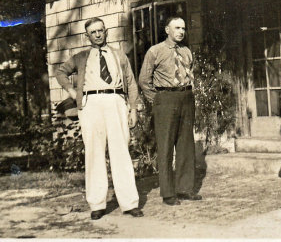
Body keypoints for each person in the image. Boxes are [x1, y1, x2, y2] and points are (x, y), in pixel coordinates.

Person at [56, 17, 144, 219]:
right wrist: (71, 91)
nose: (97, 34)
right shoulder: (80, 57)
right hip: (91, 104)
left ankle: (129, 203)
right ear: (87, 36)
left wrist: (133, 109)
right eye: (93, 32)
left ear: (106, 32)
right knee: (94, 153)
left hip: (115, 101)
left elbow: (130, 82)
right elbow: (61, 73)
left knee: (121, 151)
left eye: (100, 30)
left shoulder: (118, 55)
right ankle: (97, 204)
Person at [139, 16, 202, 206]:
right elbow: (144, 80)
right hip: (165, 99)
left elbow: (190, 74)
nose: (181, 32)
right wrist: (156, 100)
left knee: (186, 144)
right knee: (165, 146)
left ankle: (185, 188)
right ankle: (168, 193)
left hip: (186, 97)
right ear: (167, 30)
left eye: (183, 28)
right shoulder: (155, 51)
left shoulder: (186, 51)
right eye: (177, 28)